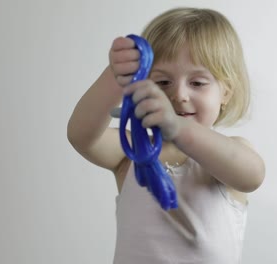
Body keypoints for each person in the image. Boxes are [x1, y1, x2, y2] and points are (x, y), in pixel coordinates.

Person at [67, 7, 265, 264]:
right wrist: (116, 77)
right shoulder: (133, 152)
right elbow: (81, 136)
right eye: (162, 83)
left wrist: (178, 128)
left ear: (225, 93)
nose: (179, 95)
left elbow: (252, 175)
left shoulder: (229, 154)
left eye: (197, 83)